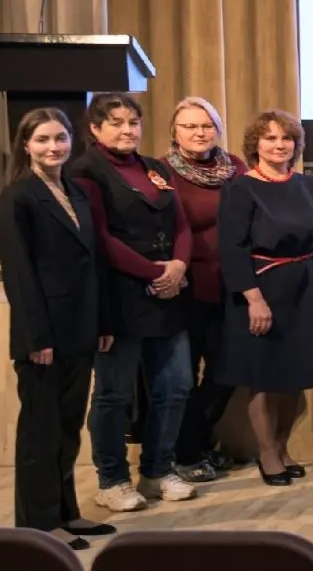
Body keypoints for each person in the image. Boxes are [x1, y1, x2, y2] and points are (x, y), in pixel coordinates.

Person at [68, 93, 197, 511]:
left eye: (134, 122)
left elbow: (181, 225)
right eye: (117, 122)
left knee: (175, 387)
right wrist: (155, 272)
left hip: (167, 295)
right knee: (114, 395)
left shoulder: (155, 167)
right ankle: (112, 480)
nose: (128, 130)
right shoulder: (85, 171)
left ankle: (158, 471)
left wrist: (178, 265)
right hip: (119, 298)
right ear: (95, 128)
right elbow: (100, 238)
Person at [0, 108, 115, 550]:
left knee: (67, 427)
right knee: (40, 433)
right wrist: (36, 338)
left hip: (79, 328)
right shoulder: (17, 198)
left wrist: (102, 321)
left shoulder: (75, 191)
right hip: (43, 337)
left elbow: (92, 263)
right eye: (43, 139)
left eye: (60, 138)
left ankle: (66, 513)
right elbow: (19, 276)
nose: (54, 147)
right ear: (26, 145)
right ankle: (40, 526)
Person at [216, 111, 313, 490]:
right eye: (270, 138)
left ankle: (283, 447)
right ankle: (267, 452)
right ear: (256, 145)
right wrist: (253, 298)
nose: (279, 145)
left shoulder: (308, 185)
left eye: (286, 138)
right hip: (262, 289)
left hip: (305, 288)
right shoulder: (241, 188)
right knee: (264, 377)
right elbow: (232, 249)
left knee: (296, 373)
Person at [166, 98, 247, 483]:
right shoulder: (160, 172)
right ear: (174, 132)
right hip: (186, 289)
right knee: (182, 378)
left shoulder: (236, 168)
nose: (199, 133)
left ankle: (193, 444)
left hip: (232, 287)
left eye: (207, 125)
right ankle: (184, 453)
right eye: (190, 126)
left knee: (226, 372)